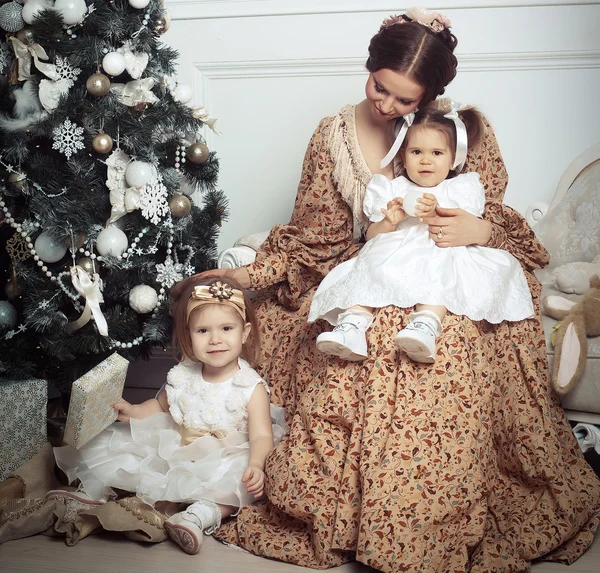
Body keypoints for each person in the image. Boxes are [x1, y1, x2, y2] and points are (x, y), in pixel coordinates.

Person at [198, 7, 600, 572]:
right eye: (379, 88)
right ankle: (360, 518)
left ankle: (427, 520)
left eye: (404, 101)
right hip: (382, 268)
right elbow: (317, 239)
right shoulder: (334, 135)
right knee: (362, 338)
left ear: (430, 97)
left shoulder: (460, 134)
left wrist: (479, 230)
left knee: (454, 343)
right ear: (370, 67)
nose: (387, 106)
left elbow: (501, 217)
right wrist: (248, 276)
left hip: (451, 270)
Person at [52, 276, 286, 555]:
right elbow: (160, 406)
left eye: (226, 328)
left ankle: (201, 515)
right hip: (177, 446)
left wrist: (257, 465)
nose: (215, 340)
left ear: (245, 333)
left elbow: (261, 435)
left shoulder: (250, 386)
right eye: (202, 331)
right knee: (127, 451)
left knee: (237, 484)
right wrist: (135, 412)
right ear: (189, 335)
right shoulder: (184, 374)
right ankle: (95, 493)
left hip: (224, 455)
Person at [310, 106, 535, 363]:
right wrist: (389, 221)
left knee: (442, 276)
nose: (426, 160)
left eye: (437, 153)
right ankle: (351, 326)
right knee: (369, 267)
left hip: (439, 248)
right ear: (403, 157)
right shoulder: (392, 188)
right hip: (395, 252)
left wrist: (433, 212)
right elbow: (371, 236)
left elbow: (459, 224)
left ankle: (425, 326)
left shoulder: (459, 188)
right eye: (416, 152)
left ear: (453, 160)